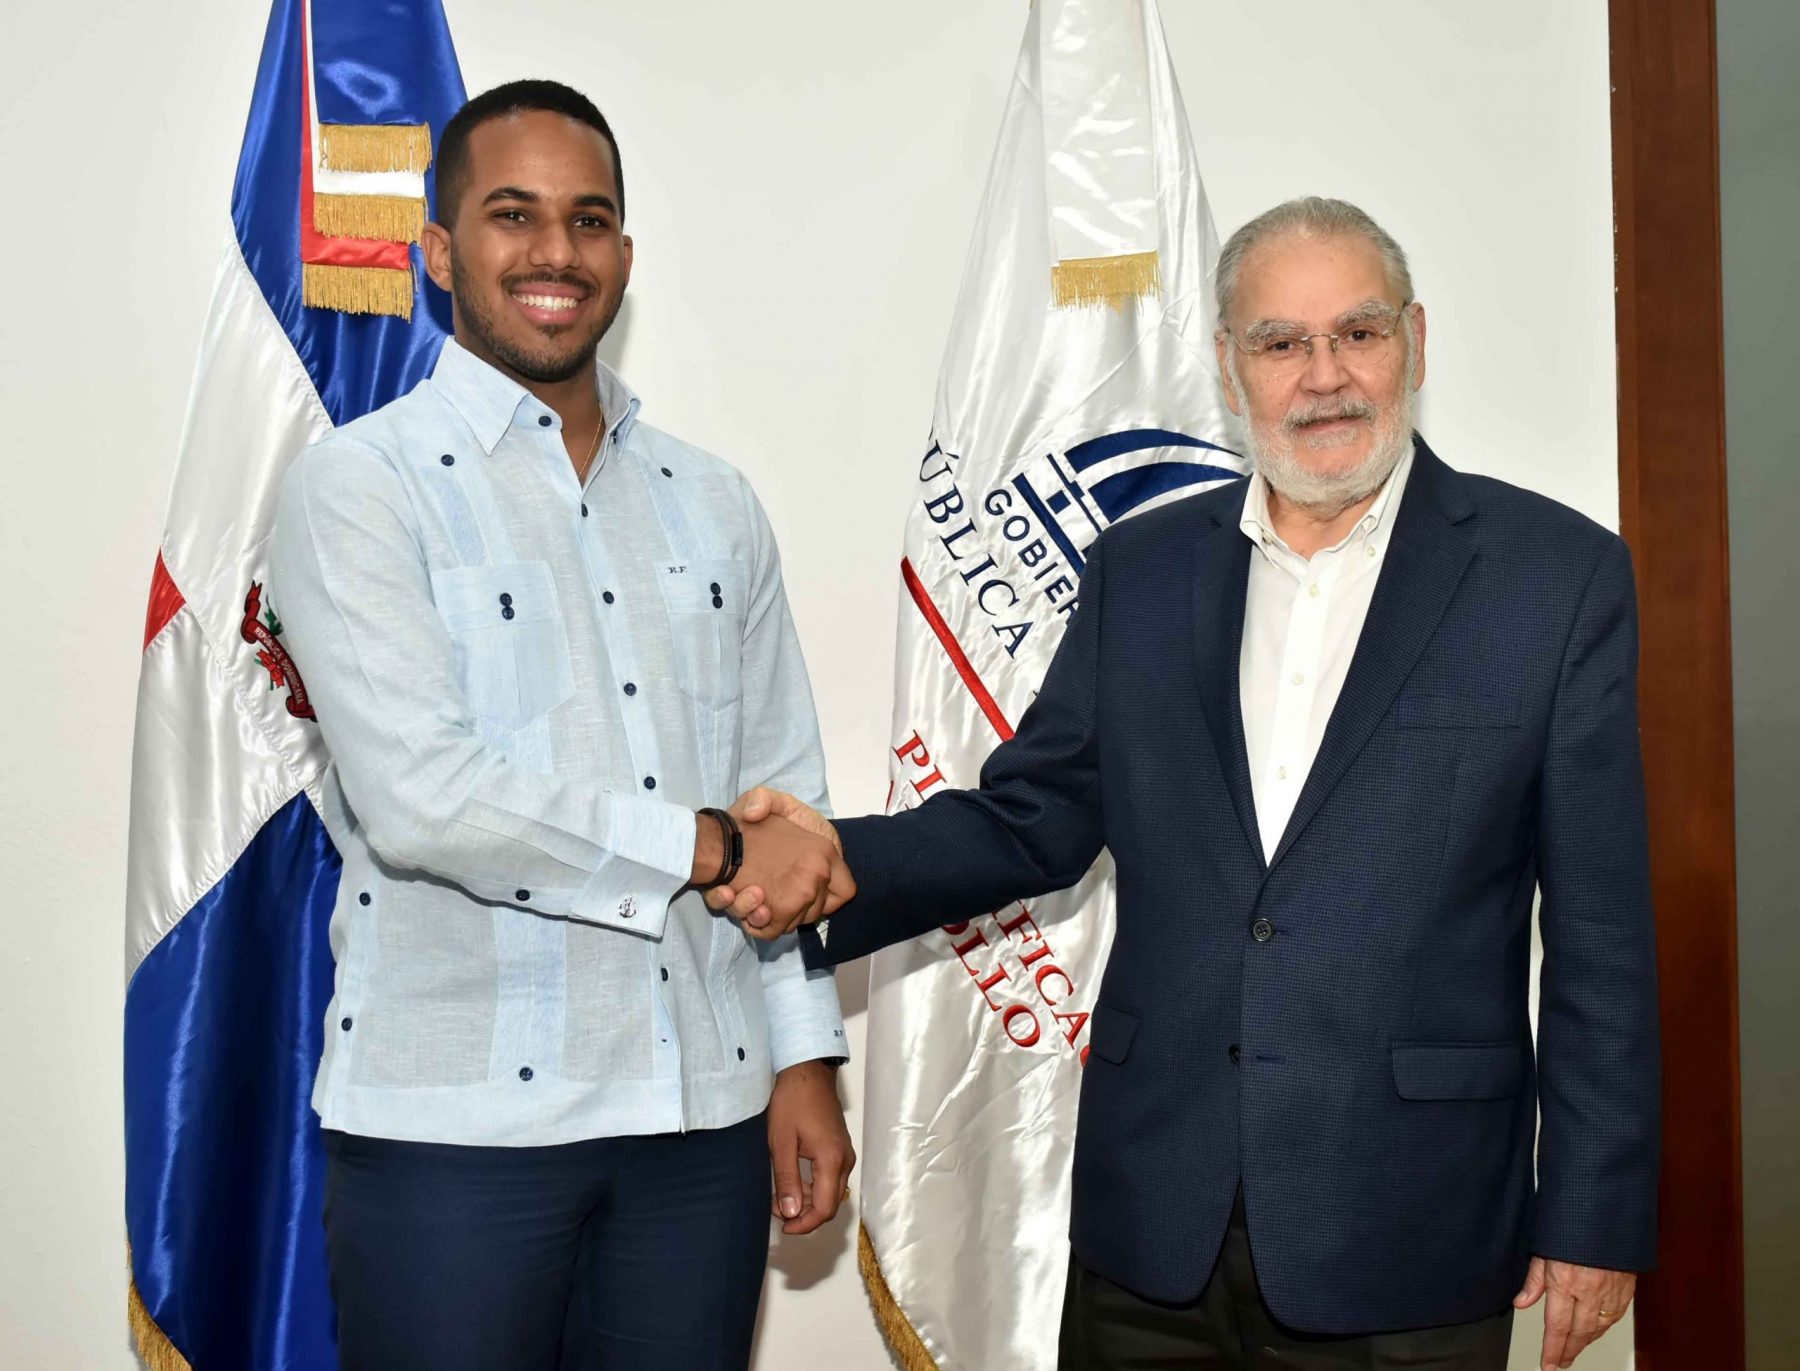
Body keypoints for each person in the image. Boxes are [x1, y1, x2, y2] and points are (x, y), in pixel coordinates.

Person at [716, 198, 1660, 1371]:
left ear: (1414, 338)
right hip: (1152, 1234)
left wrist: (1594, 1215)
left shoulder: (1553, 578)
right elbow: (1032, 822)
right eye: (1280, 342)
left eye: (1358, 333)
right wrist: (839, 861)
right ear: (1228, 363)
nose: (1325, 377)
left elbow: (1604, 937)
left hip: (1410, 1233)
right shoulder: (1142, 568)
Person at [269, 79, 856, 1371]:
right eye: (511, 215)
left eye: (589, 221)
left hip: (699, 1121)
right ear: (438, 253)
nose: (554, 252)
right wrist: (705, 848)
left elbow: (781, 794)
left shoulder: (714, 499)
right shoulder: (357, 488)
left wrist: (804, 1055)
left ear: (625, 259)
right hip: (454, 1133)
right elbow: (429, 797)